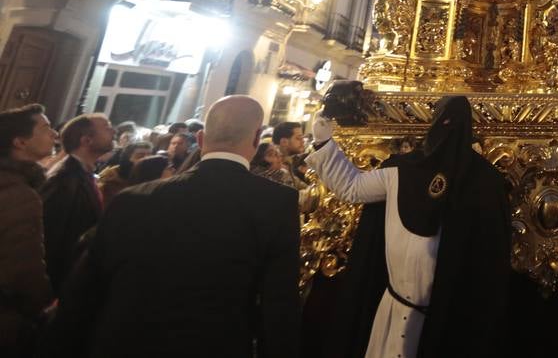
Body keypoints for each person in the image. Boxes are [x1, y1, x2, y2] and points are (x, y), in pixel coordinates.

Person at [45, 96, 301, 358]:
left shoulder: (132, 198)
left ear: (200, 139)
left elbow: (84, 290)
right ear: (257, 140)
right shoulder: (276, 203)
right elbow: (278, 307)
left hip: (121, 342)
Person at [309, 89, 511, 358]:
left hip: (445, 317)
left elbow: (489, 256)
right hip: (395, 307)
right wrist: (323, 143)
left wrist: (324, 140)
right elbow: (353, 188)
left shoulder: (481, 182)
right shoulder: (404, 172)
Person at [0, 104, 58, 355]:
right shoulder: (19, 194)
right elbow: (23, 268)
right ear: (20, 142)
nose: (55, 134)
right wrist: (43, 306)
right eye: (45, 128)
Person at [40, 113, 112, 293]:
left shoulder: (81, 174)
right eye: (106, 127)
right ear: (87, 140)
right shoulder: (65, 180)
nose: (113, 130)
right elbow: (52, 237)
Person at [96, 141, 150, 205]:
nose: (146, 159)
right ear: (127, 158)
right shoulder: (109, 178)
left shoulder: (150, 177)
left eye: (149, 156)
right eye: (140, 156)